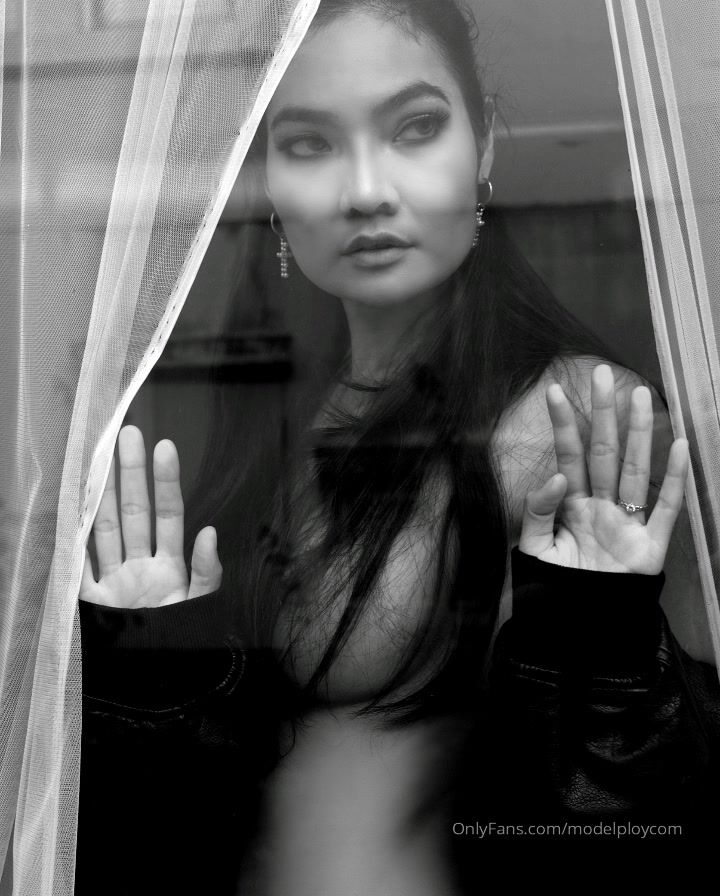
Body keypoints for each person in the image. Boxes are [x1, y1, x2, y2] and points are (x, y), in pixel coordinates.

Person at [76, 0, 720, 893]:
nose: (366, 189)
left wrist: (601, 649)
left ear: (482, 146)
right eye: (309, 144)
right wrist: (154, 674)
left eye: (414, 127)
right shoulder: (278, 410)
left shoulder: (570, 416)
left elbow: (644, 816)